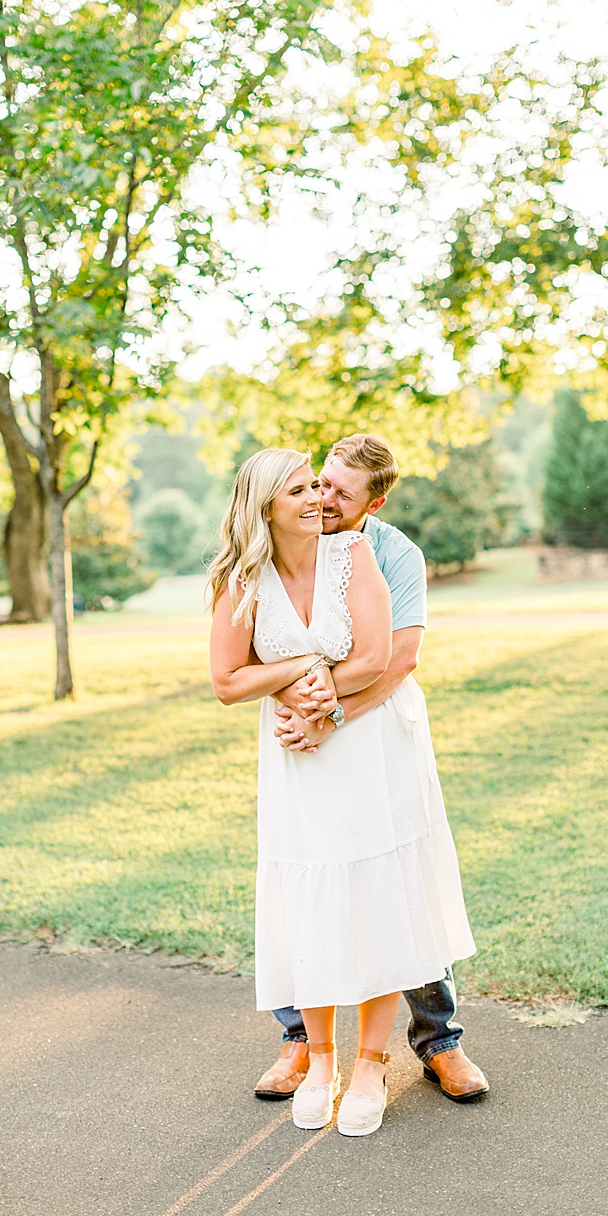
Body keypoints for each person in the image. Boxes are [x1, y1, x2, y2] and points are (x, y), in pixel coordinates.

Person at [209, 446, 476, 1137]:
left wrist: (326, 711)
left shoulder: (380, 554)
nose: (323, 501)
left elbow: (394, 658)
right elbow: (229, 676)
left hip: (371, 737)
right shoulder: (250, 569)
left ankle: (430, 1043)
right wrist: (295, 676)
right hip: (298, 753)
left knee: (388, 890)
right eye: (311, 486)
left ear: (372, 504)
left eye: (335, 494)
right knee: (312, 893)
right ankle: (310, 1049)